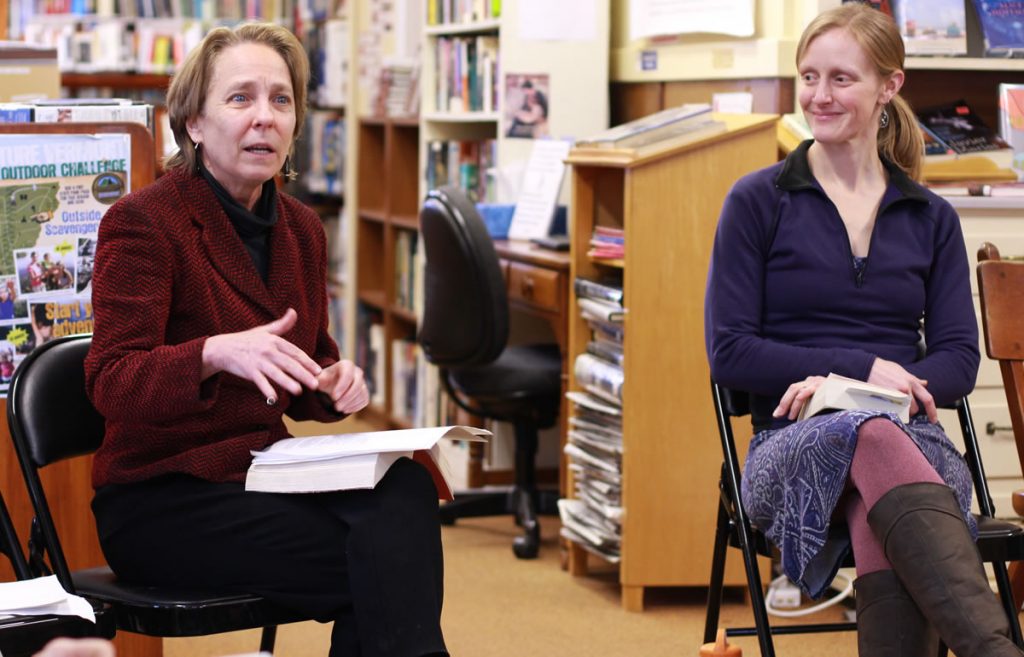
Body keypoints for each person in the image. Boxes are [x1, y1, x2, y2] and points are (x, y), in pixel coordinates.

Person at [83, 23, 447, 657]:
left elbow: (306, 362)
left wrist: (332, 383)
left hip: (263, 474)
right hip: (161, 497)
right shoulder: (143, 222)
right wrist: (213, 353)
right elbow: (112, 382)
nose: (265, 117)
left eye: (281, 100)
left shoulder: (302, 229)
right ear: (194, 123)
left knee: (407, 491)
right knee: (385, 562)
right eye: (240, 98)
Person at [704, 5, 1023, 657]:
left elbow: (958, 361)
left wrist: (860, 391)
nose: (819, 96)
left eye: (841, 79)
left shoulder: (931, 218)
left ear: (889, 86)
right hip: (788, 445)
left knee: (876, 465)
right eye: (809, 77)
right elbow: (729, 352)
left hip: (914, 447)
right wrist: (854, 372)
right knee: (867, 433)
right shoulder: (756, 201)